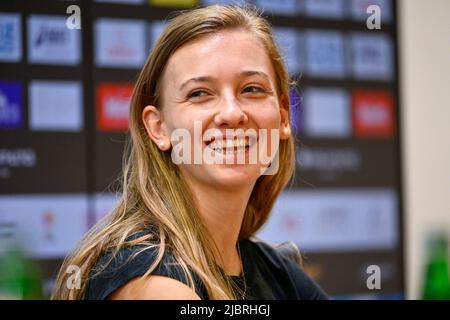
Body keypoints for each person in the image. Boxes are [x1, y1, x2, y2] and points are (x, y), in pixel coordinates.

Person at [52, 4, 328, 300]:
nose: (232, 113)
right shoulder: (147, 276)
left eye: (251, 89)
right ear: (158, 128)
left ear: (284, 117)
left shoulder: (276, 272)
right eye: (199, 94)